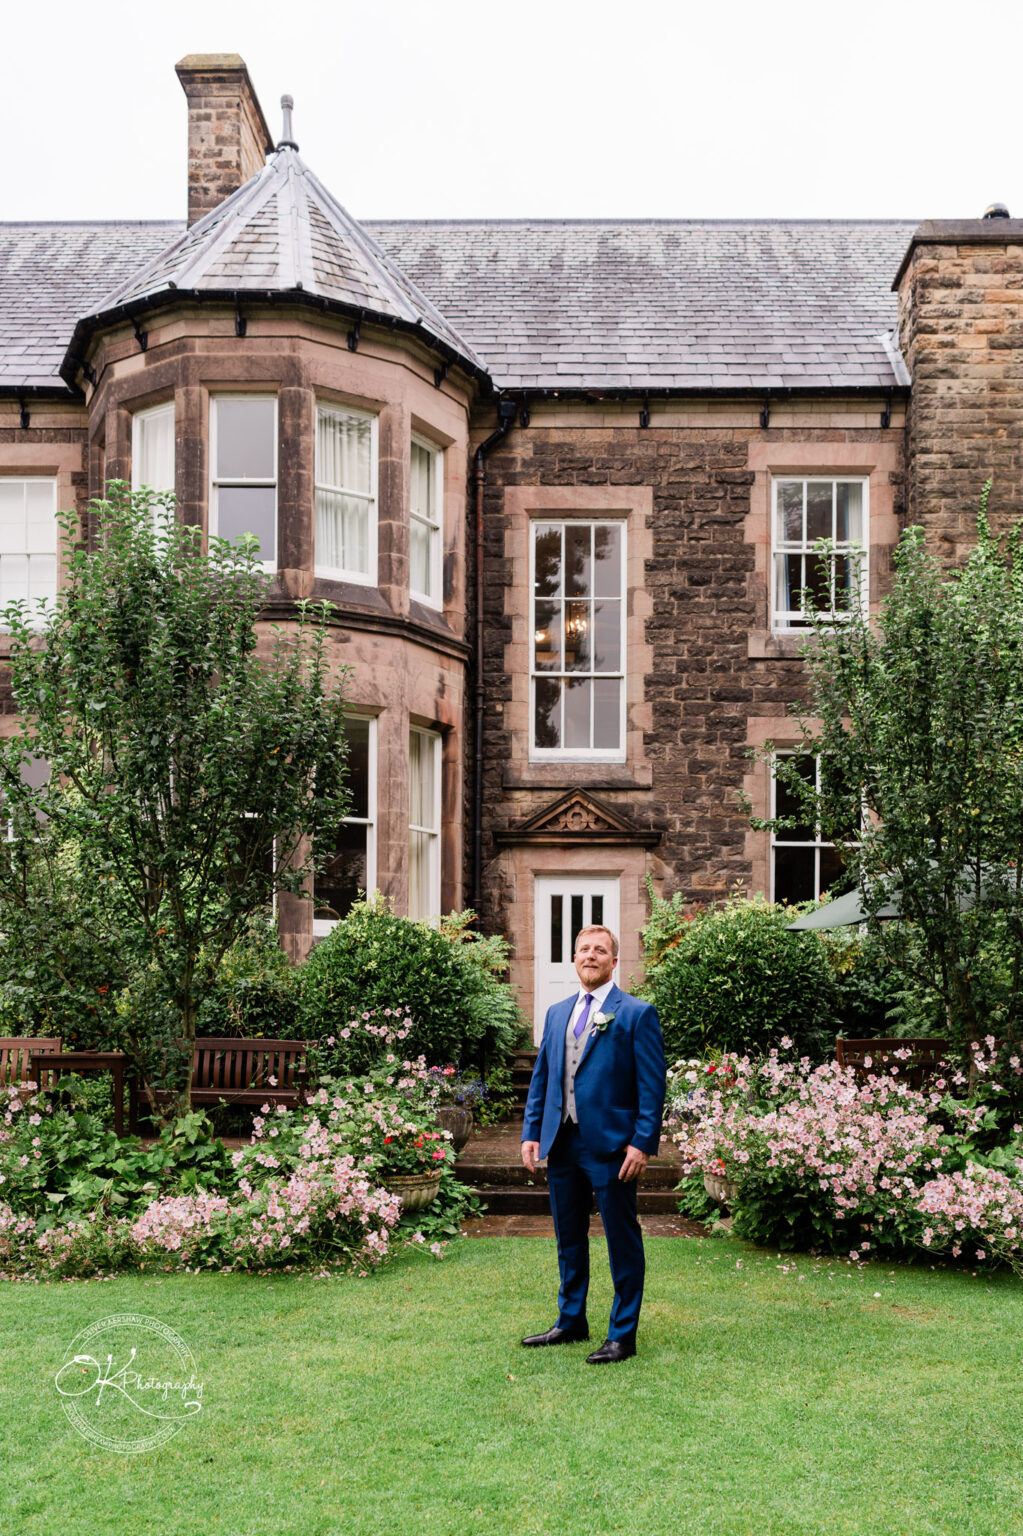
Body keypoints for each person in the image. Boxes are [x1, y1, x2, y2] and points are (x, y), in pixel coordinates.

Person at [520, 923, 666, 1363]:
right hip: (561, 1142)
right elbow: (543, 1078)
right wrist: (531, 1132)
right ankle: (571, 1320)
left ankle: (622, 1335)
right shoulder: (556, 1012)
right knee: (568, 1236)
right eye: (584, 949)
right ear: (575, 959)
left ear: (614, 961)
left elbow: (652, 1085)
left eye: (600, 950)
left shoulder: (637, 1013)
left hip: (612, 1146)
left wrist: (641, 1142)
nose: (590, 956)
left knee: (621, 1239)